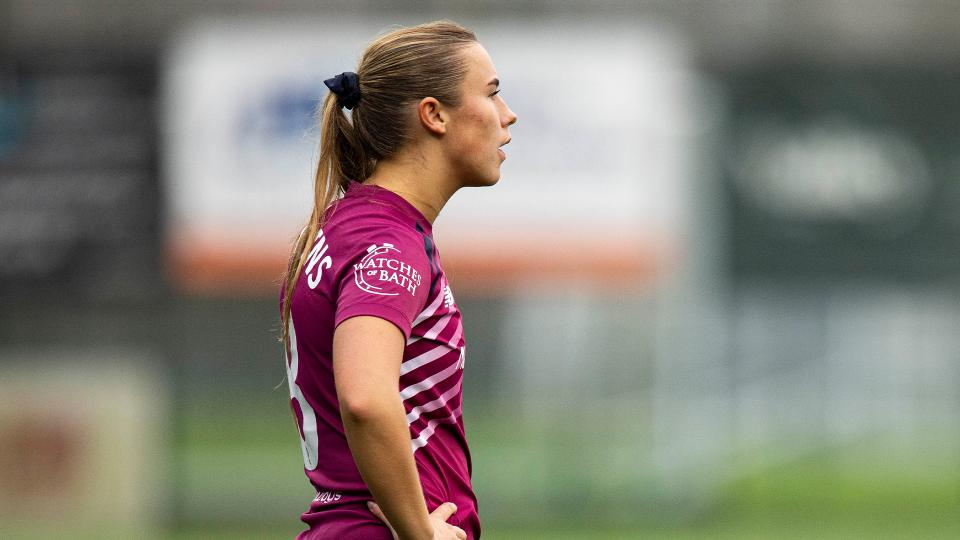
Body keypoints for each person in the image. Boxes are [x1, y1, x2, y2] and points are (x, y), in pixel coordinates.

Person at [279, 20, 517, 540]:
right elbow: (365, 396)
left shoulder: (351, 223)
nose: (508, 114)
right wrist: (419, 531)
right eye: (492, 93)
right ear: (434, 115)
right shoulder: (389, 243)